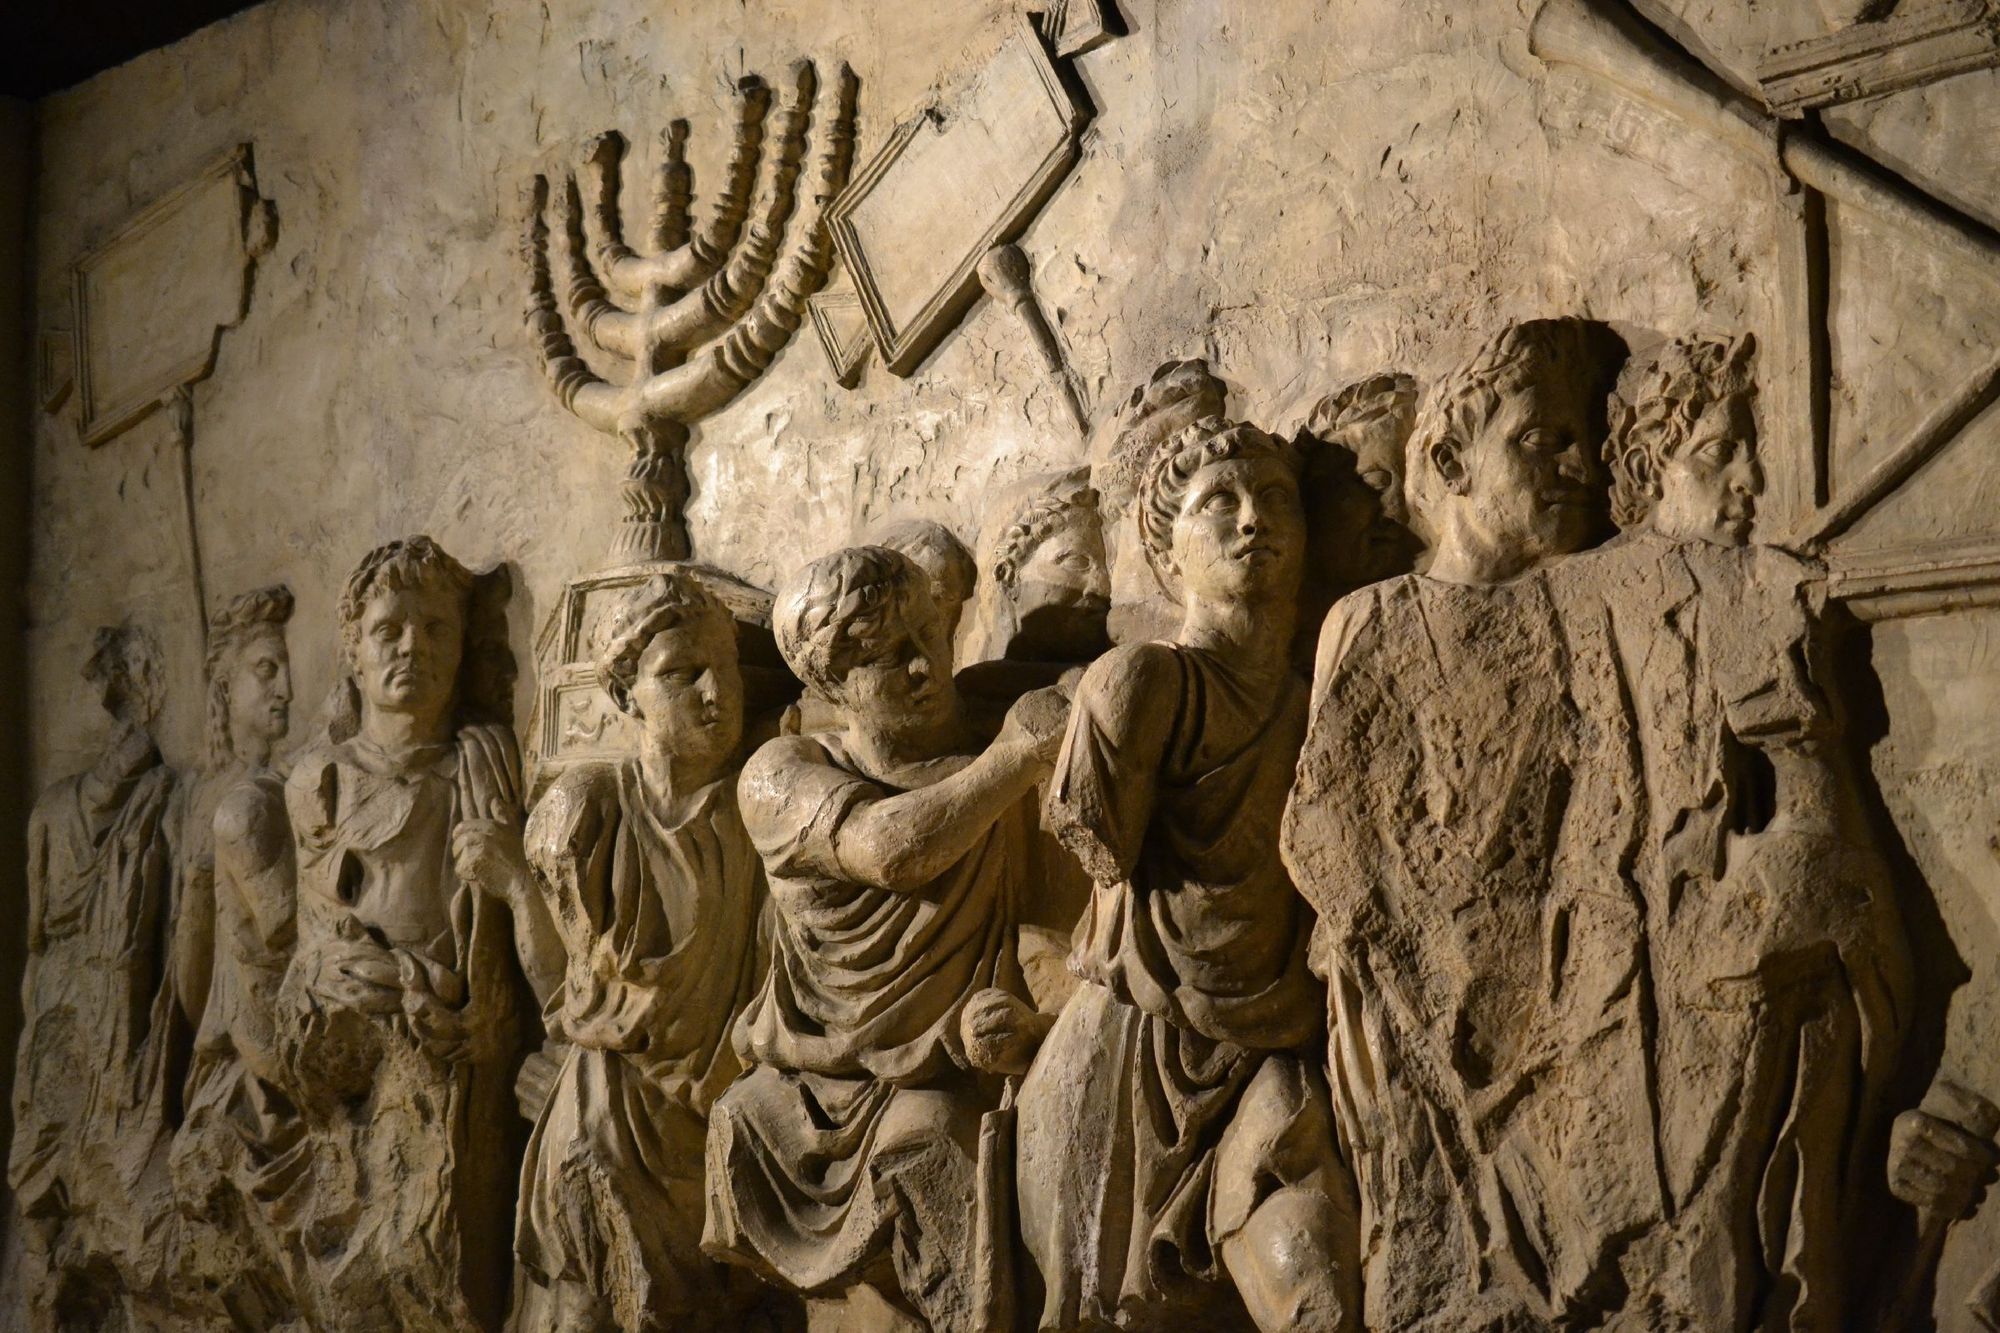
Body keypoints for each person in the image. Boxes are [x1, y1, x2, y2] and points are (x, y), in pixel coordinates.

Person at [1281, 319, 1642, 1328]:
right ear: (1449, 461)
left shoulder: (1575, 612)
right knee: (1434, 1252)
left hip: (1555, 985)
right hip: (1410, 1004)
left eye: (1583, 440)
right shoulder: (1380, 618)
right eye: (1539, 440)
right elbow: (1321, 820)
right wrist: (1421, 963)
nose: (1578, 466)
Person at [1016, 418, 1359, 1332]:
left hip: (1267, 1037)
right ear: (1166, 555)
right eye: (1221, 503)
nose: (1254, 521)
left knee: (1318, 1288)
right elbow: (1098, 846)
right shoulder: (1142, 683)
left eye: (1275, 499)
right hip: (1134, 1050)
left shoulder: (1315, 692)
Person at [704, 544, 1065, 1332]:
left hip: (942, 1062)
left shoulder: (989, 713)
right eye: (882, 657)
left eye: (929, 636)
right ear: (830, 684)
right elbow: (890, 850)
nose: (923, 667)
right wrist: (1015, 755)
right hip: (816, 1083)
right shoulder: (781, 772)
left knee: (931, 1139)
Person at [278, 536, 530, 1331]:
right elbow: (307, 950)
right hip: (351, 1064)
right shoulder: (318, 783)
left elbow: (507, 956)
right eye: (389, 629)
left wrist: (443, 997)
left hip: (449, 1060)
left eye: (436, 629)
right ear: (353, 648)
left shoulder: (481, 769)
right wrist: (329, 977)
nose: (412, 647)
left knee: (437, 1272)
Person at [506, 572, 767, 1331]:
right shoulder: (586, 813)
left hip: (718, 1108)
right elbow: (571, 986)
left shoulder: (758, 808)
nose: (716, 691)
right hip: (608, 1110)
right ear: (625, 697)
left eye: (724, 667)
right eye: (683, 673)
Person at [10, 624, 181, 1322]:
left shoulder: (135, 797)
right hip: (74, 985)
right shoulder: (67, 806)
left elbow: (36, 918)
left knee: (66, 1134)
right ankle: (48, 1265)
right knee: (50, 1132)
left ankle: (65, 1260)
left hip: (79, 984)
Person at [169, 586, 310, 1325]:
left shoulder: (294, 783)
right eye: (266, 670)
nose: (284, 686)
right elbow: (193, 971)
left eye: (284, 668)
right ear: (225, 685)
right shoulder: (221, 805)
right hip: (248, 1054)